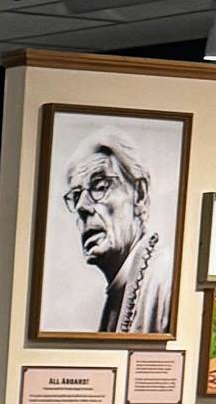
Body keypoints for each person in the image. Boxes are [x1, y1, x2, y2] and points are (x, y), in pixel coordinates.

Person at [60, 131, 170, 336]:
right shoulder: (118, 291)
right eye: (76, 196)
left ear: (139, 195)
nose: (82, 207)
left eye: (99, 186)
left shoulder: (166, 280)